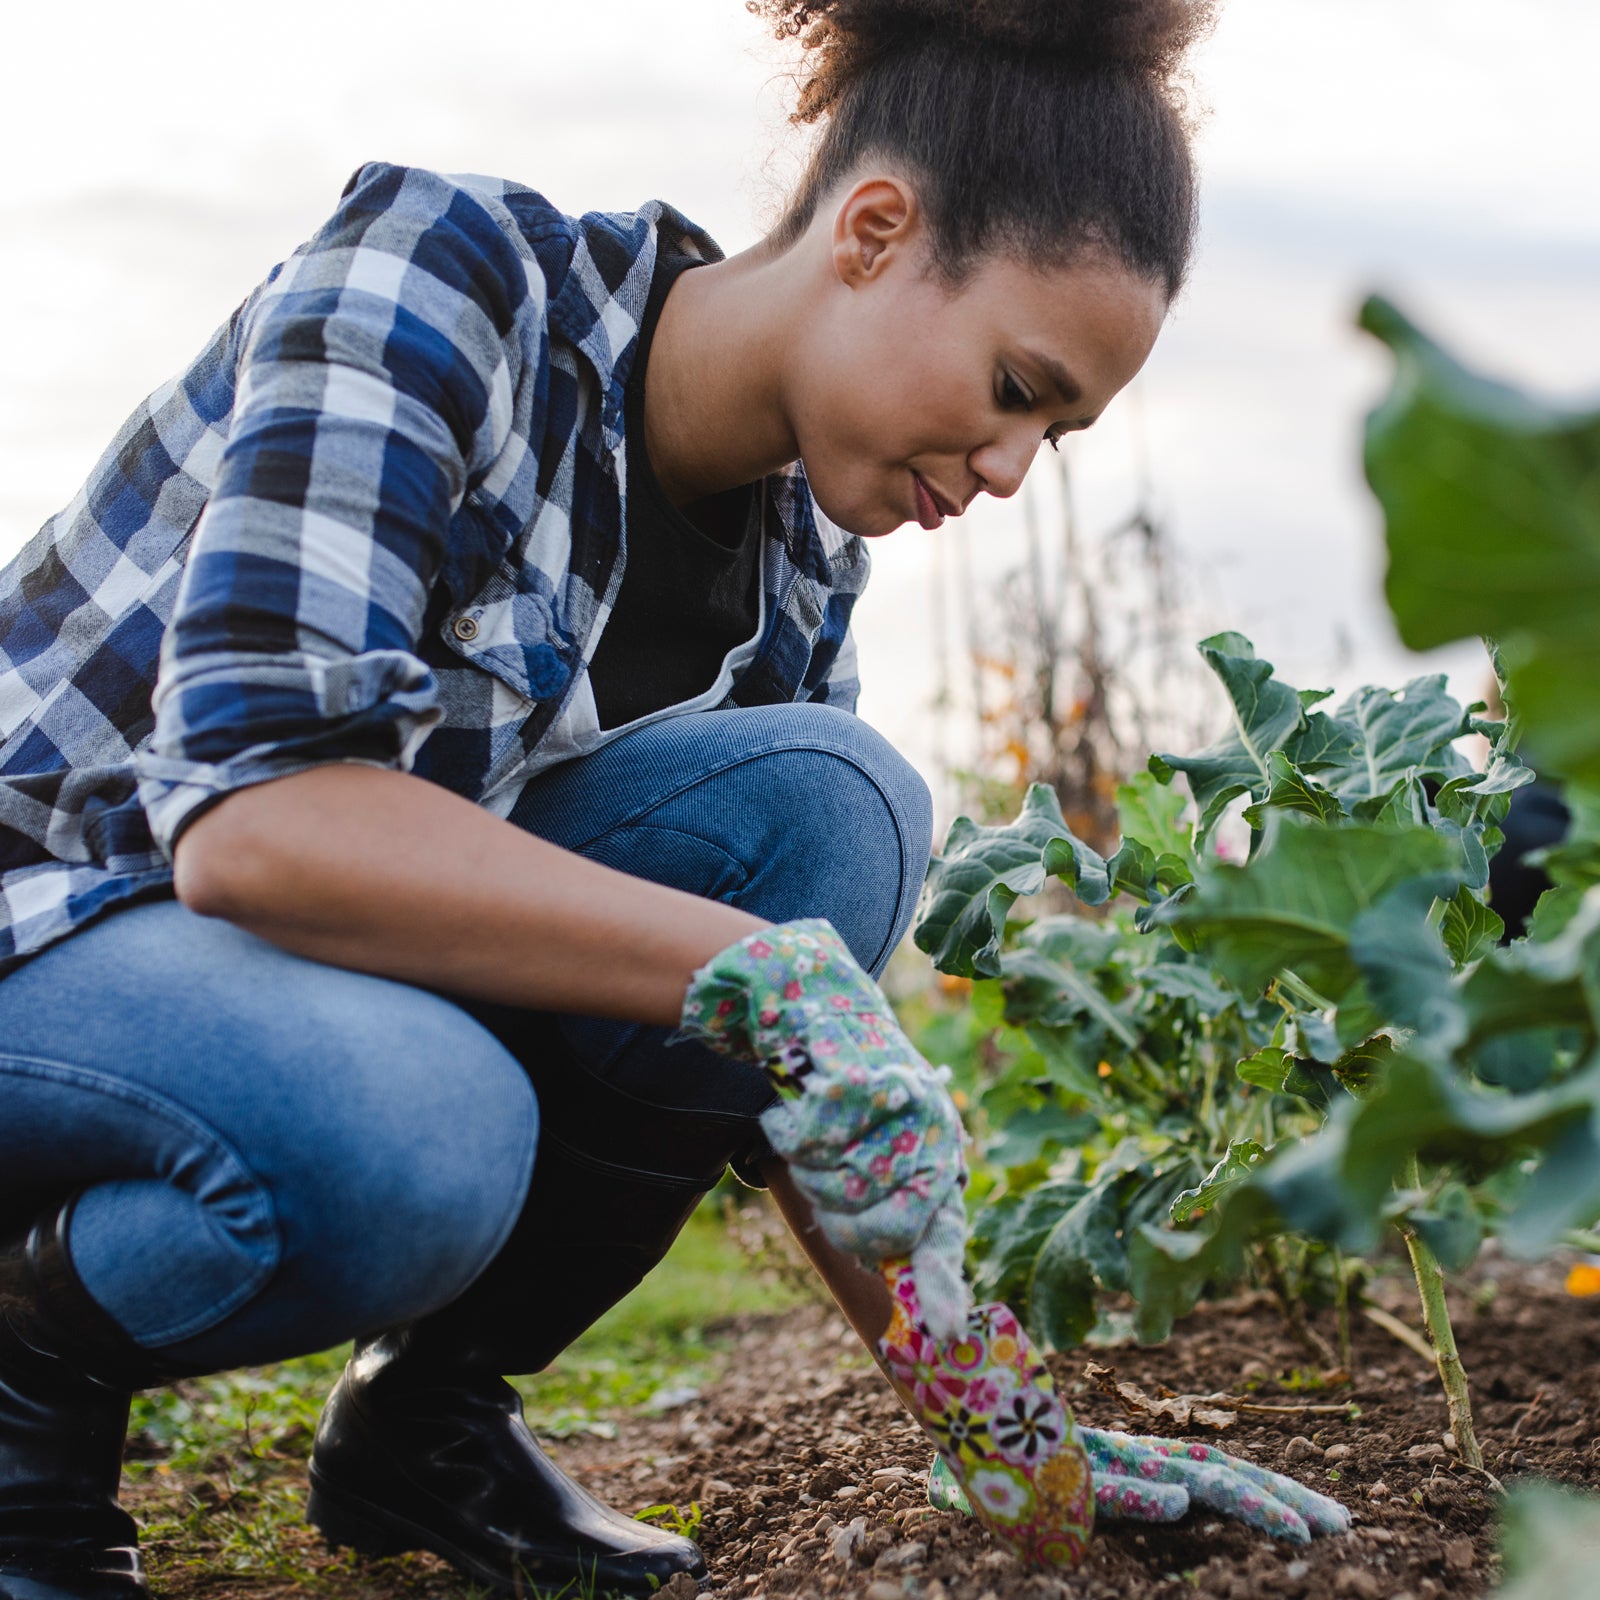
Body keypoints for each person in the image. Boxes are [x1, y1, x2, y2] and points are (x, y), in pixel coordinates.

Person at [0, 2, 1217, 1595]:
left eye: (1053, 434)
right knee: (422, 1134)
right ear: (872, 230)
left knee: (832, 806)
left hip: (263, 989)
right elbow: (265, 821)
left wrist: (994, 1414)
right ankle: (27, 1401)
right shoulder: (444, 279)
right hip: (55, 933)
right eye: (1014, 384)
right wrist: (764, 978)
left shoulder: (797, 565)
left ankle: (427, 1416)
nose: (1008, 470)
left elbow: (797, 1077)